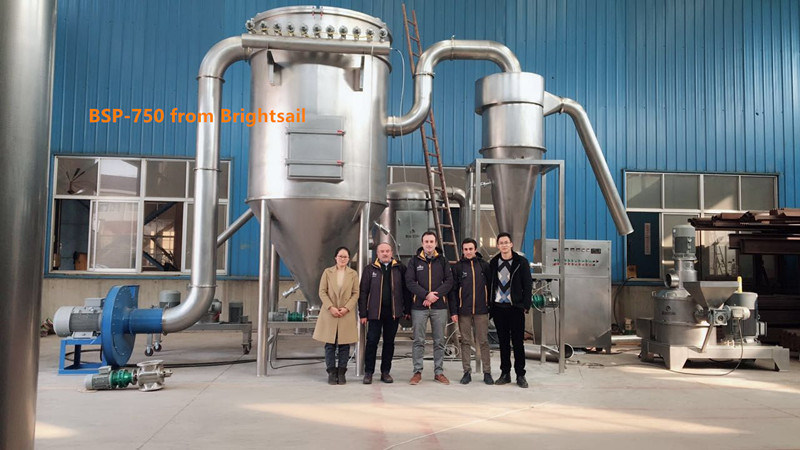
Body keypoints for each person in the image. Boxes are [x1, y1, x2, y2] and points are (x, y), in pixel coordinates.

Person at [405, 231, 455, 385]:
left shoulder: (443, 261)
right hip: (419, 307)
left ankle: (438, 372)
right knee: (418, 340)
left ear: (435, 243)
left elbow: (449, 281)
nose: (428, 244)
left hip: (439, 307)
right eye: (426, 241)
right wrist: (426, 295)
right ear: (422, 243)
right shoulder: (414, 261)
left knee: (439, 340)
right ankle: (417, 372)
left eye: (431, 241)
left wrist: (435, 296)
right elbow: (410, 282)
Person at [358, 242, 409, 384]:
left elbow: (406, 290)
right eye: (382, 251)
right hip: (375, 313)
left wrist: (407, 310)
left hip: (393, 312)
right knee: (372, 341)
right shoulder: (369, 269)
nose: (385, 253)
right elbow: (363, 292)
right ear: (377, 254)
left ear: (392, 252)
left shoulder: (400, 268)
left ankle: (385, 372)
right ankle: (369, 372)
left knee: (389, 343)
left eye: (387, 251)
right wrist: (363, 313)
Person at [488, 232, 532, 388]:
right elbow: (490, 284)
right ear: (498, 245)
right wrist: (490, 305)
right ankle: (505, 374)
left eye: (506, 242)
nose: (504, 245)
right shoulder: (494, 262)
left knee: (518, 343)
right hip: (499, 308)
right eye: (501, 243)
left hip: (515, 308)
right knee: (504, 343)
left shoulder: (521, 262)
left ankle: (520, 375)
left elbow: (528, 284)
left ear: (511, 244)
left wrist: (525, 305)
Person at [313, 246, 359, 385]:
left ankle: (342, 372)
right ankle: (331, 372)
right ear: (335, 257)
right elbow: (322, 291)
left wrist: (346, 308)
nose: (343, 259)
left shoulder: (353, 274)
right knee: (330, 344)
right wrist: (330, 307)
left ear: (349, 259)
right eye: (340, 256)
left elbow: (355, 293)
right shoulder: (327, 272)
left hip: (346, 313)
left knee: (345, 344)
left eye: (345, 257)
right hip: (330, 312)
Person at [452, 238, 493, 385]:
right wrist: (454, 311)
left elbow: (491, 287)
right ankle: (466, 372)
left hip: (481, 310)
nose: (468, 252)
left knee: (483, 341)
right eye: (465, 249)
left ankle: (487, 372)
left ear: (475, 249)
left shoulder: (484, 266)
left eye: (471, 249)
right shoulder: (457, 267)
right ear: (462, 251)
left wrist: (490, 307)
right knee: (465, 341)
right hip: (464, 311)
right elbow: (453, 291)